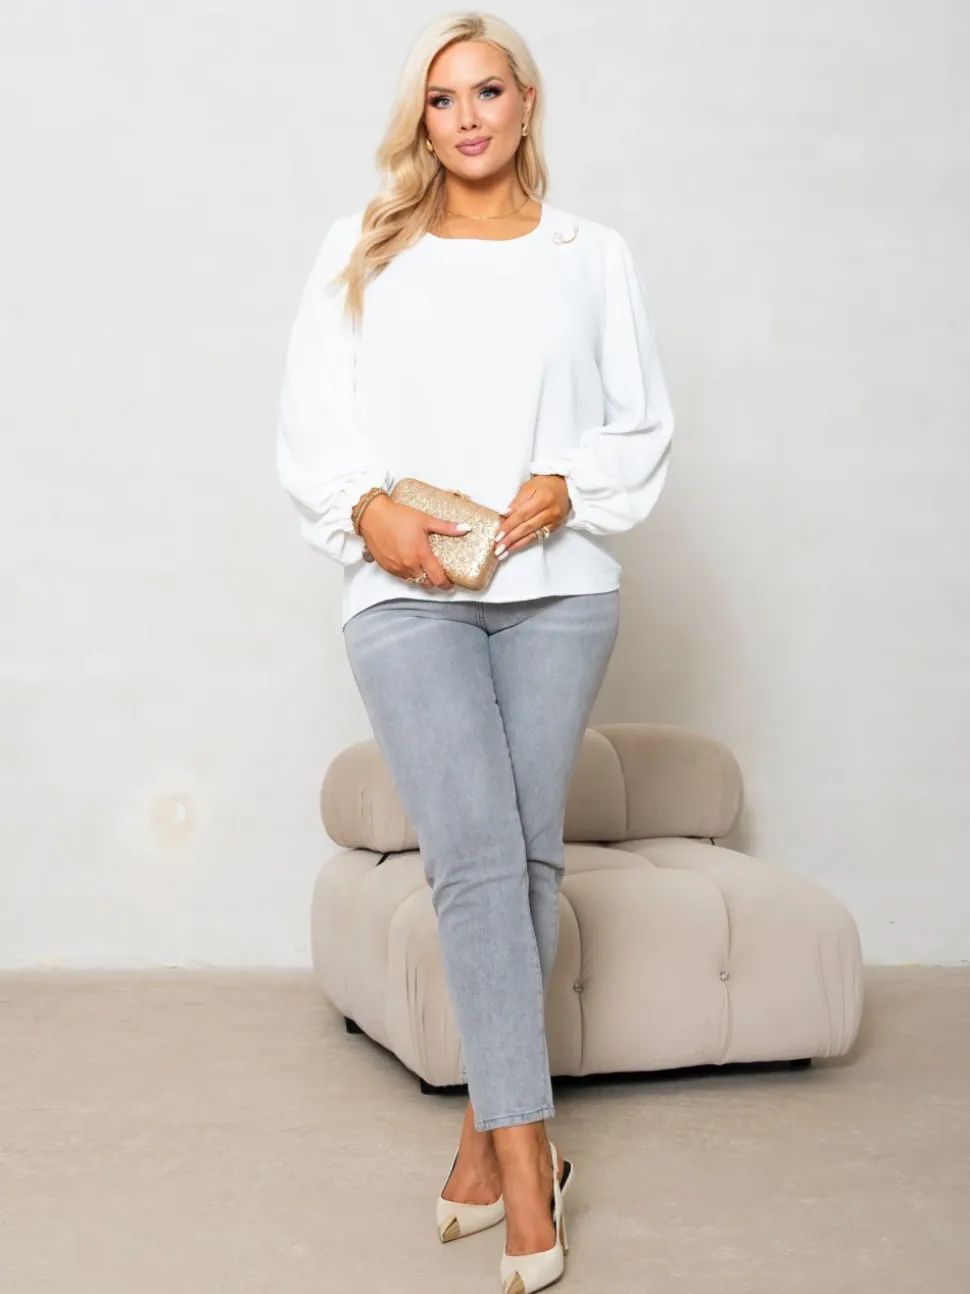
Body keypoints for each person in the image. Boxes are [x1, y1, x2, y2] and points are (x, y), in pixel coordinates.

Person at [276, 12, 674, 1293]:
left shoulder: (588, 256)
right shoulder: (362, 246)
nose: (465, 118)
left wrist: (569, 483)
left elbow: (640, 422)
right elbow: (314, 419)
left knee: (528, 859)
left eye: (486, 91)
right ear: (422, 118)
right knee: (476, 860)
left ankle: (478, 1141)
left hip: (561, 594)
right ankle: (528, 1164)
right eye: (441, 98)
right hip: (404, 594)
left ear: (525, 102)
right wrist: (369, 513)